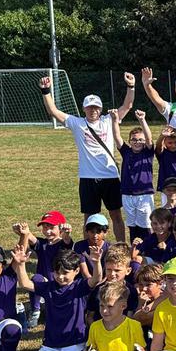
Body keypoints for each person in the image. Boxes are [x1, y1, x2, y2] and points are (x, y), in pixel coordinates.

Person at [38, 73, 135, 241]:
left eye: (96, 107)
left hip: (110, 176)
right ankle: (88, 248)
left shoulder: (108, 120)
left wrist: (131, 86)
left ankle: (121, 245)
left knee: (116, 214)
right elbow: (53, 111)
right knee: (89, 217)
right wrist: (46, 91)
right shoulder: (77, 123)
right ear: (84, 109)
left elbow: (127, 105)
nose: (93, 111)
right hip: (88, 177)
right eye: (89, 108)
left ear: (101, 109)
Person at [12, 246, 103, 351]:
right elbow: (25, 284)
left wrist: (96, 262)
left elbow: (96, 279)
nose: (60, 276)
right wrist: (21, 264)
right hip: (52, 342)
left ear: (76, 271)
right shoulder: (49, 287)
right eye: (56, 272)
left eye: (65, 273)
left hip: (74, 341)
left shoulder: (80, 287)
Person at [12, 211, 74, 330]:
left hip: (59, 284)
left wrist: (66, 234)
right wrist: (22, 231)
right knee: (36, 279)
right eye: (45, 227)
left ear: (60, 227)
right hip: (44, 283)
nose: (48, 231)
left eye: (52, 227)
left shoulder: (63, 244)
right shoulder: (42, 244)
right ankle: (35, 311)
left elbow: (67, 241)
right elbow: (30, 237)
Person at [111, 109, 155, 242]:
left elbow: (149, 138)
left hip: (144, 195)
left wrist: (142, 120)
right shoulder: (126, 152)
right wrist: (115, 120)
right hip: (127, 194)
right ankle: (134, 249)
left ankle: (147, 250)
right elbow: (117, 137)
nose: (137, 142)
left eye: (140, 140)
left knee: (146, 225)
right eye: (134, 140)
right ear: (130, 141)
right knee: (132, 225)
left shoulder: (147, 152)